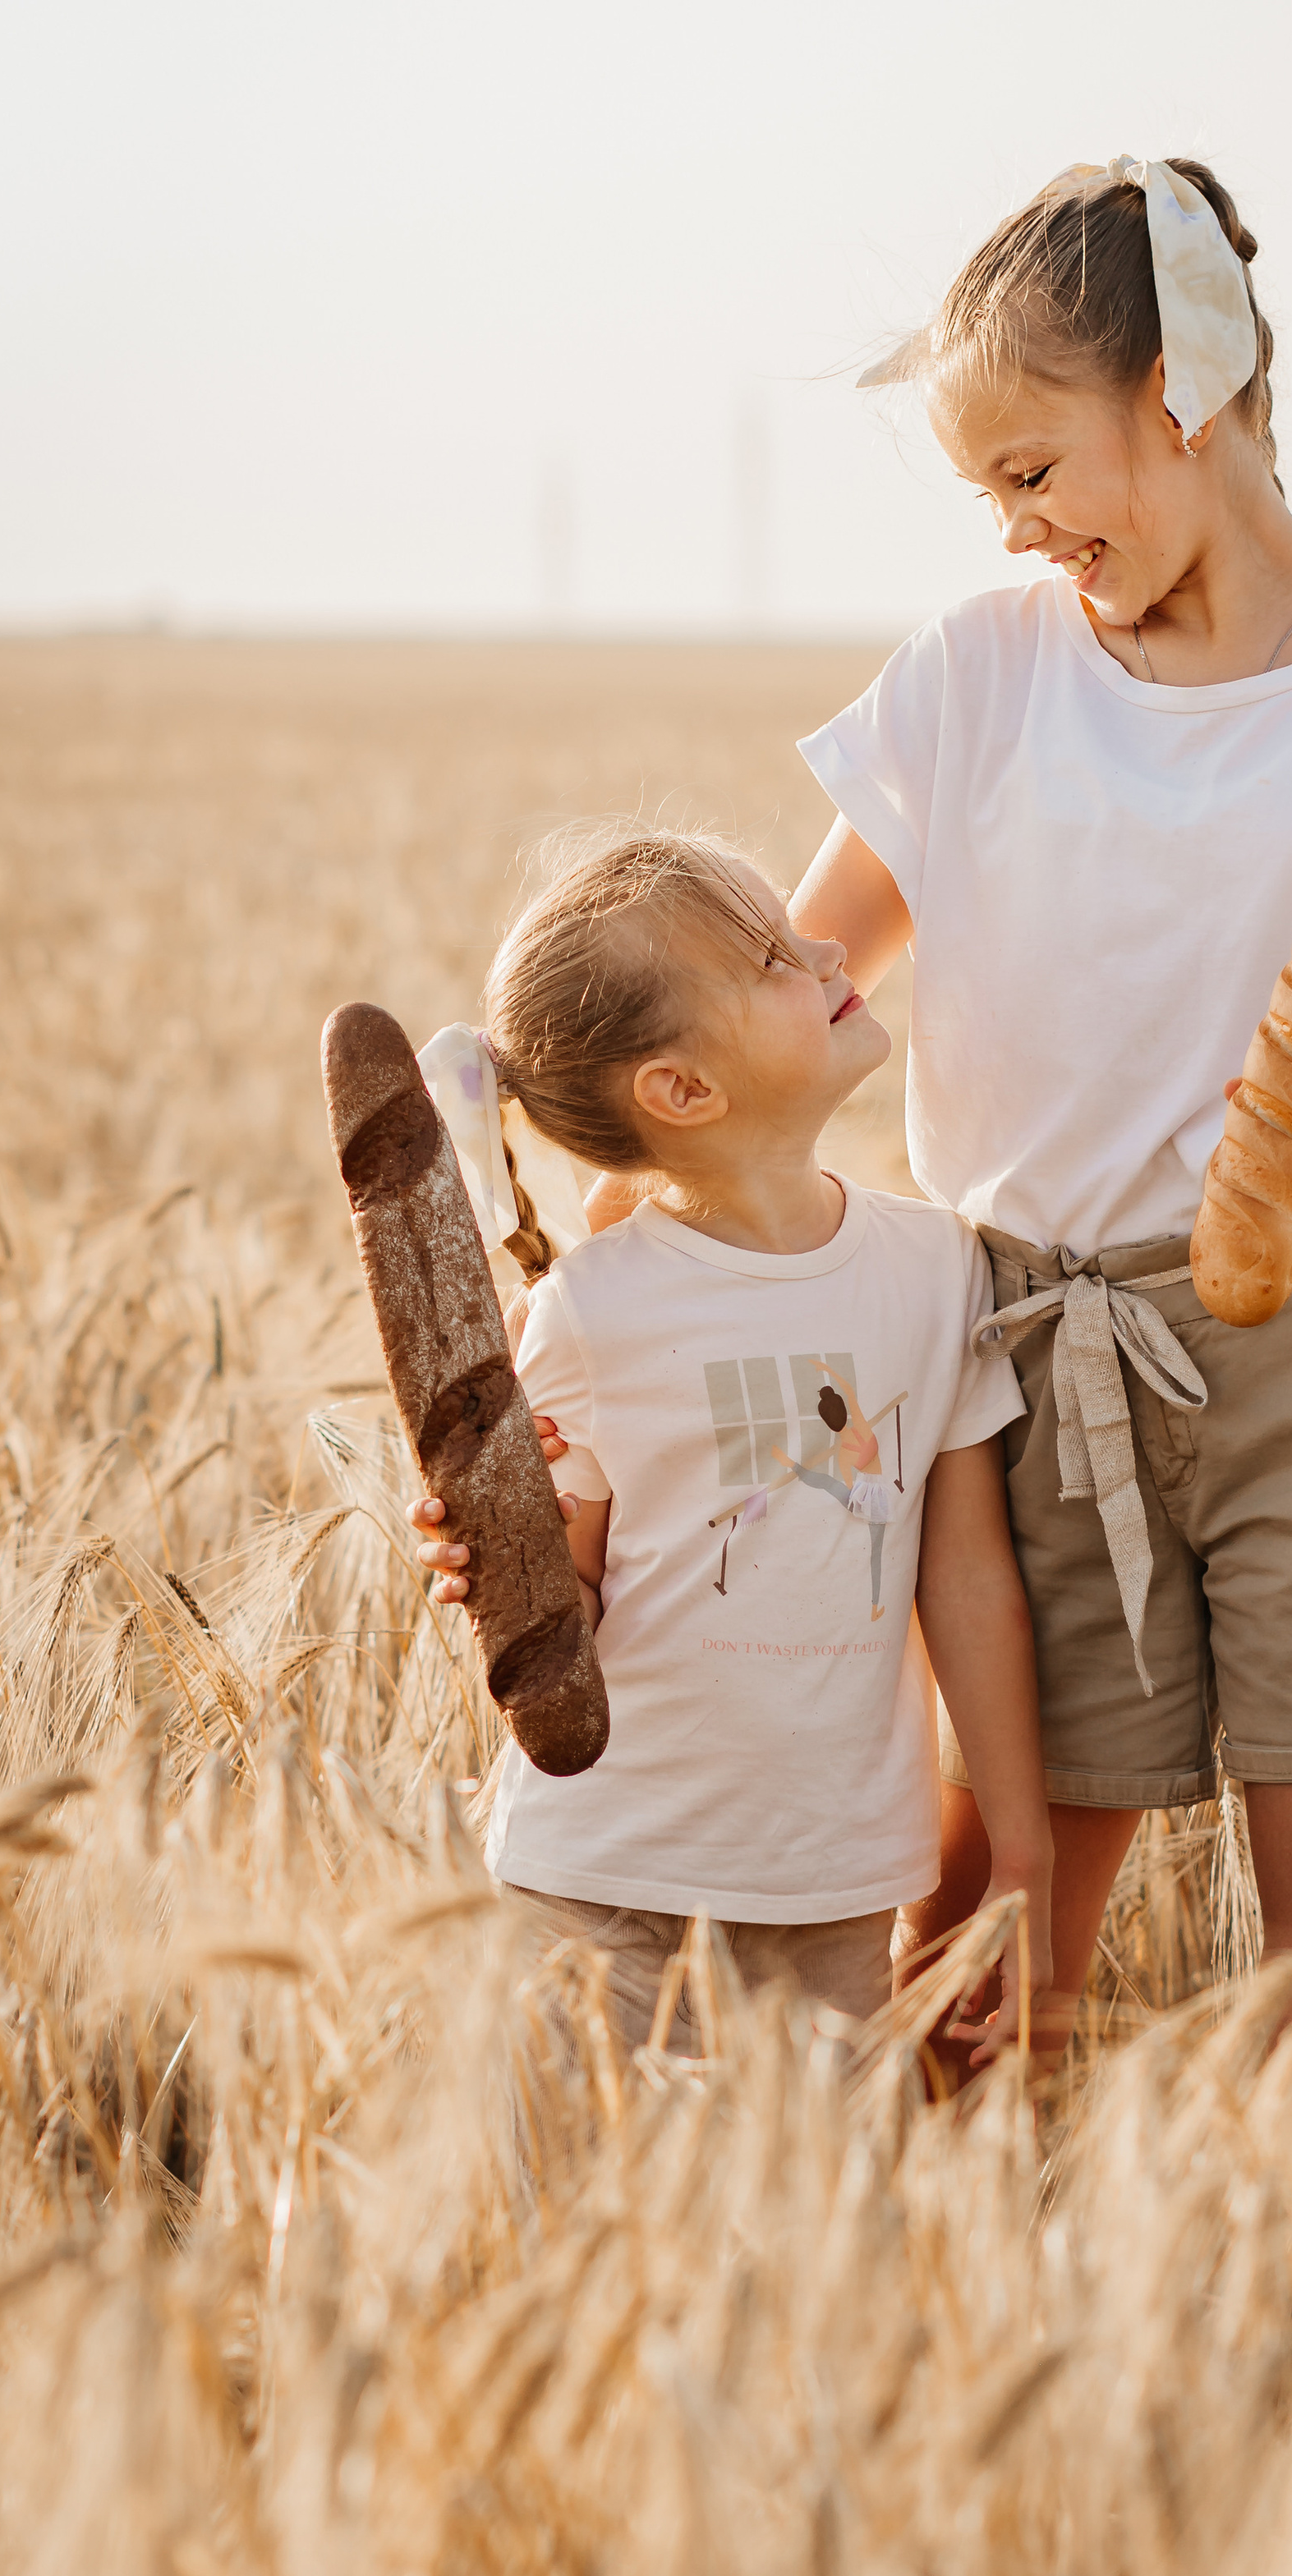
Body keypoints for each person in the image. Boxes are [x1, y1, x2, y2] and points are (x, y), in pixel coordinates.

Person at [783, 155, 1292, 2076]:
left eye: (1032, 472)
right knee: (982, 1987)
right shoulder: (975, 685)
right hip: (1015, 1378)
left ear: (1189, 386)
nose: (1014, 533)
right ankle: (983, 2360)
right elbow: (785, 998)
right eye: (989, 494)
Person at [410, 829, 1055, 2060]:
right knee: (600, 2233)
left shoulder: (935, 1270)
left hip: (836, 1894)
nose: (826, 944)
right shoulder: (593, 1312)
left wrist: (1019, 1846)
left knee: (820, 2243)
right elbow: (567, 1601)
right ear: (683, 1091)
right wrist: (496, 1555)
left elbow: (966, 1579)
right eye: (771, 956)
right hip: (601, 1885)